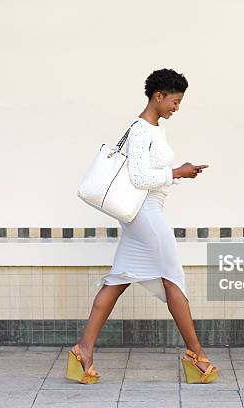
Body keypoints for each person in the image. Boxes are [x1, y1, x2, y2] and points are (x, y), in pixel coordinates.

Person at [65, 68, 218, 385]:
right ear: (158, 96)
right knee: (173, 278)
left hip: (143, 214)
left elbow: (148, 175)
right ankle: (196, 354)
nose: (176, 108)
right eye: (174, 101)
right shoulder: (140, 130)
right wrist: (178, 172)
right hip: (144, 213)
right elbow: (139, 178)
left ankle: (83, 350)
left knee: (118, 280)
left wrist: (176, 174)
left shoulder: (155, 129)